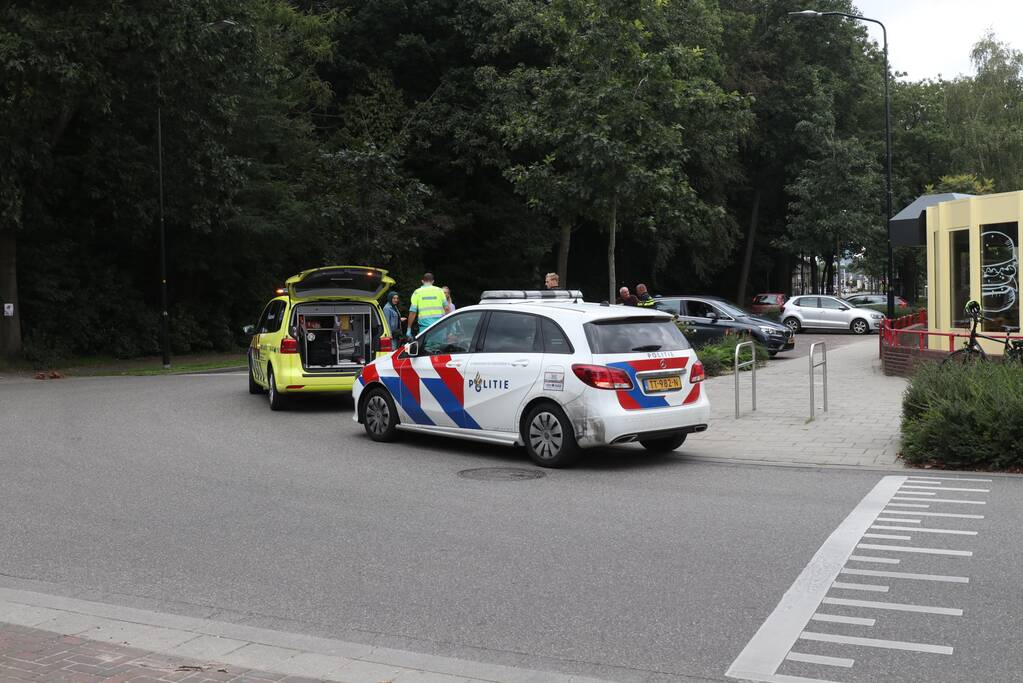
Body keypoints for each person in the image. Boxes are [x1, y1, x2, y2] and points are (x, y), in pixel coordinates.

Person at [407, 272, 449, 337]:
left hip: (425, 329)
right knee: (439, 347)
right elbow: (447, 309)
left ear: (422, 281)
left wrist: (409, 328)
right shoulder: (440, 291)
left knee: (426, 347)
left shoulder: (417, 292)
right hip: (439, 327)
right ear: (433, 281)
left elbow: (413, 312)